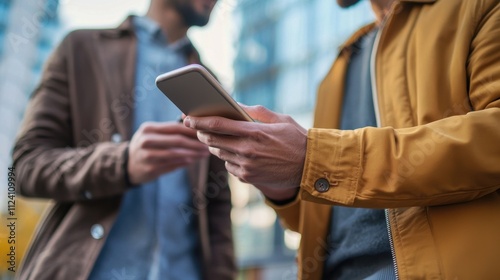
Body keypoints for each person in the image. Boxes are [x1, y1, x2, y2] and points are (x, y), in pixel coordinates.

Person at [183, 0, 500, 279]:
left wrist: (313, 157)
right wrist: (281, 186)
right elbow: (323, 220)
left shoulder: (478, 7)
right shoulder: (339, 68)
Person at [12, 0, 236, 279]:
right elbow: (25, 166)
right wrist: (122, 163)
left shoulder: (210, 84)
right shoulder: (81, 49)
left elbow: (217, 205)